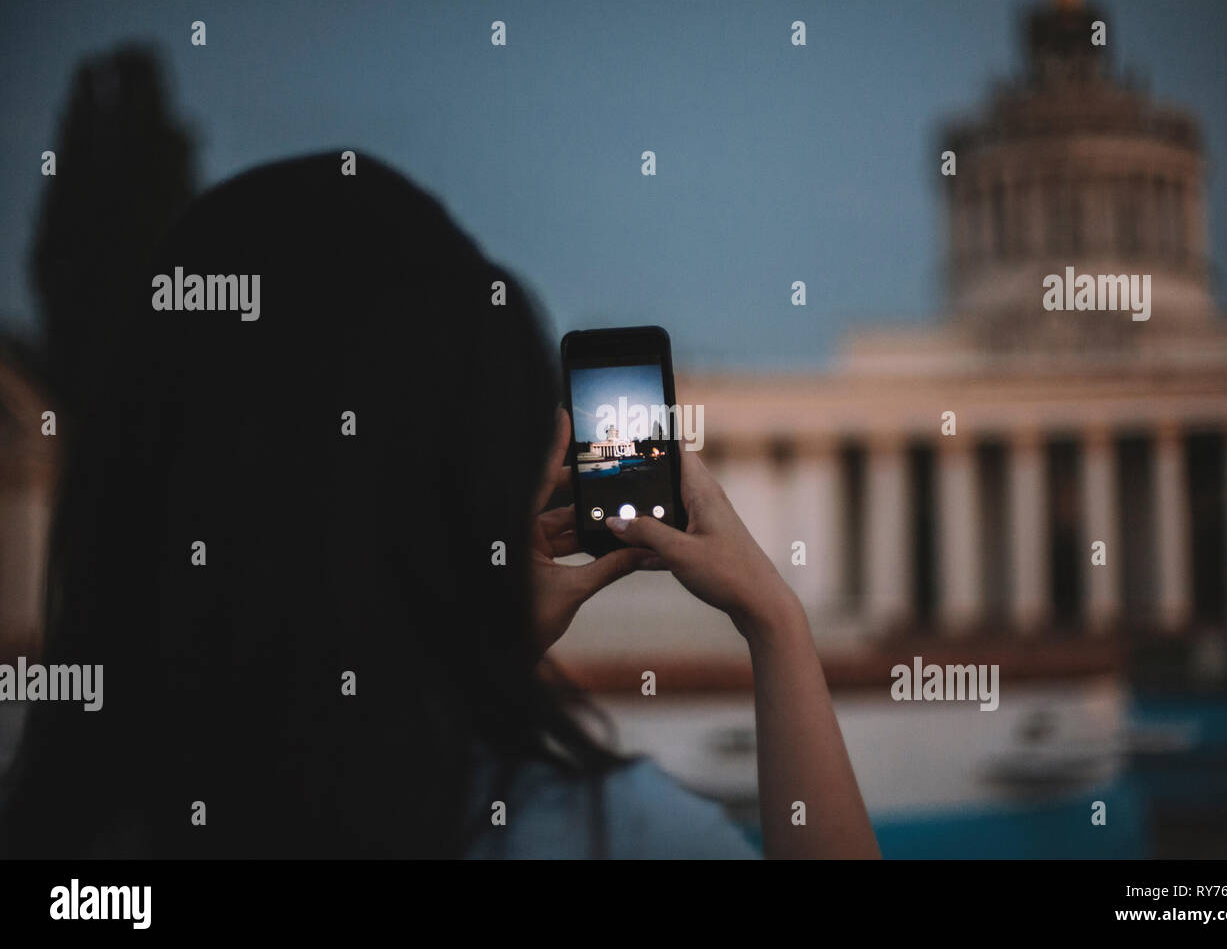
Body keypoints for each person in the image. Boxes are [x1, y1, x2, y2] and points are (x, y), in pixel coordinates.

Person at [0, 153, 877, 859]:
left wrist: (463, 646)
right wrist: (775, 621)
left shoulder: (67, 827)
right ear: (465, 477)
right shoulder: (603, 834)